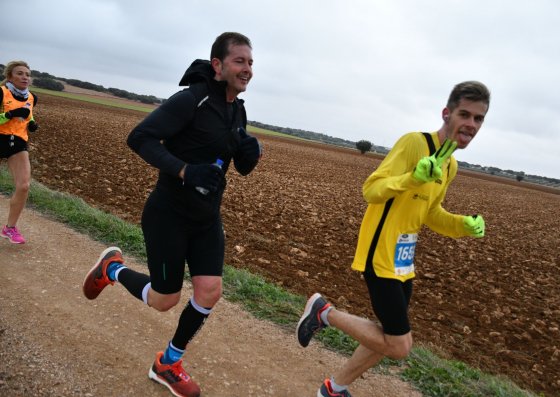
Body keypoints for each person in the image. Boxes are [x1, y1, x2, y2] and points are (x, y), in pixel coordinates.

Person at [83, 32, 260, 397]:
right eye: (240, 61)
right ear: (218, 65)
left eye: (251, 63)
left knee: (210, 290)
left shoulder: (237, 109)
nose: (248, 69)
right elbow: (140, 137)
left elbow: (236, 166)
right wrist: (184, 170)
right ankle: (111, 269)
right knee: (164, 300)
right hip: (169, 213)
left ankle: (167, 363)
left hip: (207, 217)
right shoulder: (191, 100)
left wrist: (248, 153)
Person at [297, 81, 491, 397]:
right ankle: (323, 312)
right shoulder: (415, 144)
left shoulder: (450, 164)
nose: (471, 124)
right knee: (399, 346)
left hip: (403, 260)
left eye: (478, 119)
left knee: (386, 337)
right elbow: (371, 190)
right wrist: (412, 177)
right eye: (465, 114)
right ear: (447, 113)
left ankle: (334, 389)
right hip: (379, 253)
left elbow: (431, 214)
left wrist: (462, 226)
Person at [0, 60, 39, 244]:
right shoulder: (1, 93)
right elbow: (13, 113)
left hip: (18, 142)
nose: (25, 77)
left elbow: (28, 111)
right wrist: (9, 115)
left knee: (23, 186)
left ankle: (10, 228)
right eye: (20, 73)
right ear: (9, 77)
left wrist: (31, 122)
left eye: (27, 74)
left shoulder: (32, 97)